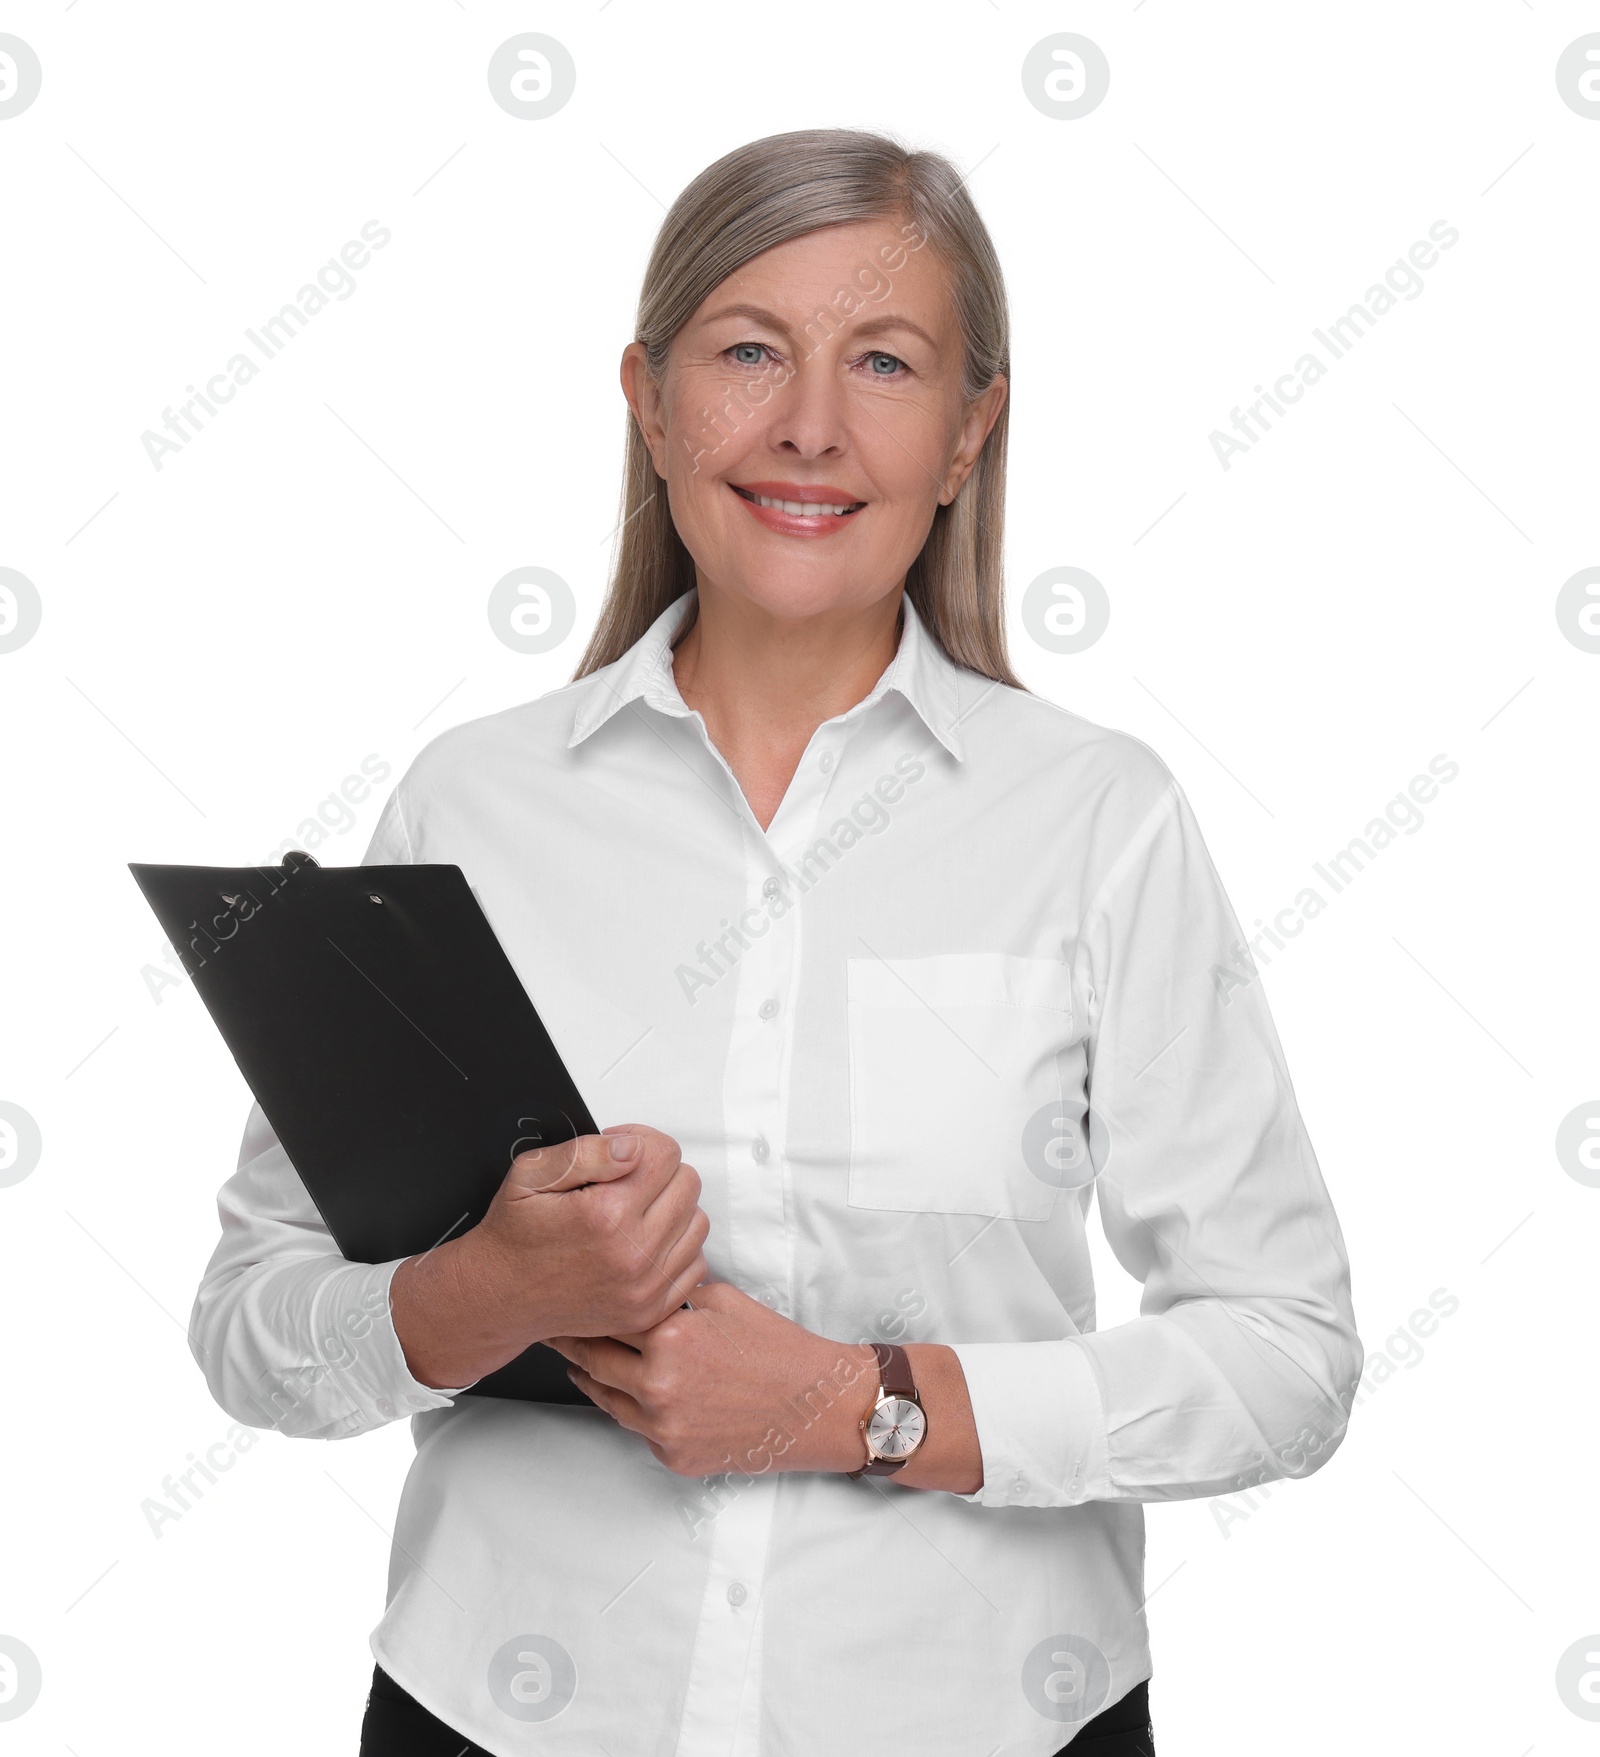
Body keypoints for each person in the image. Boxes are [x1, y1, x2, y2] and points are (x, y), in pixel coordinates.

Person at [190, 127, 1361, 1757]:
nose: (810, 424)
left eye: (884, 361)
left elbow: (1287, 1354)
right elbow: (254, 1319)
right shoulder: (474, 805)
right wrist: (477, 1292)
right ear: (651, 400)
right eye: (750, 352)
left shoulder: (1098, 819)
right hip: (505, 1709)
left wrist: (873, 1405)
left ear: (970, 431)